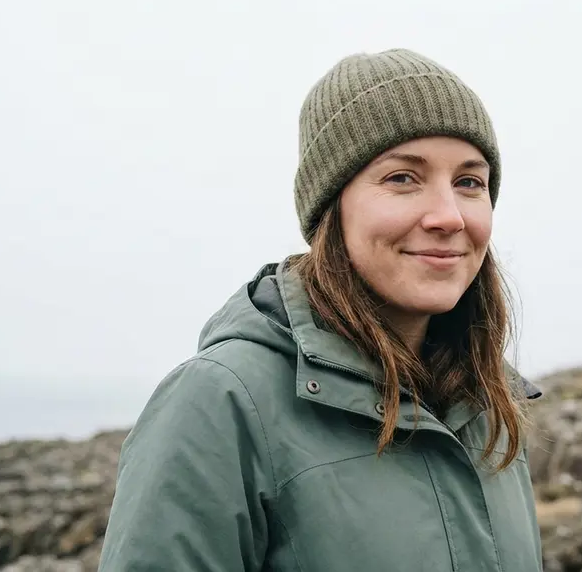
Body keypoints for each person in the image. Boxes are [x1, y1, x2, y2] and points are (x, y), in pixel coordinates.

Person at [96, 48, 545, 571]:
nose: (448, 216)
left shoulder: (489, 407)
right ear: (330, 206)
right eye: (402, 178)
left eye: (469, 182)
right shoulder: (222, 402)